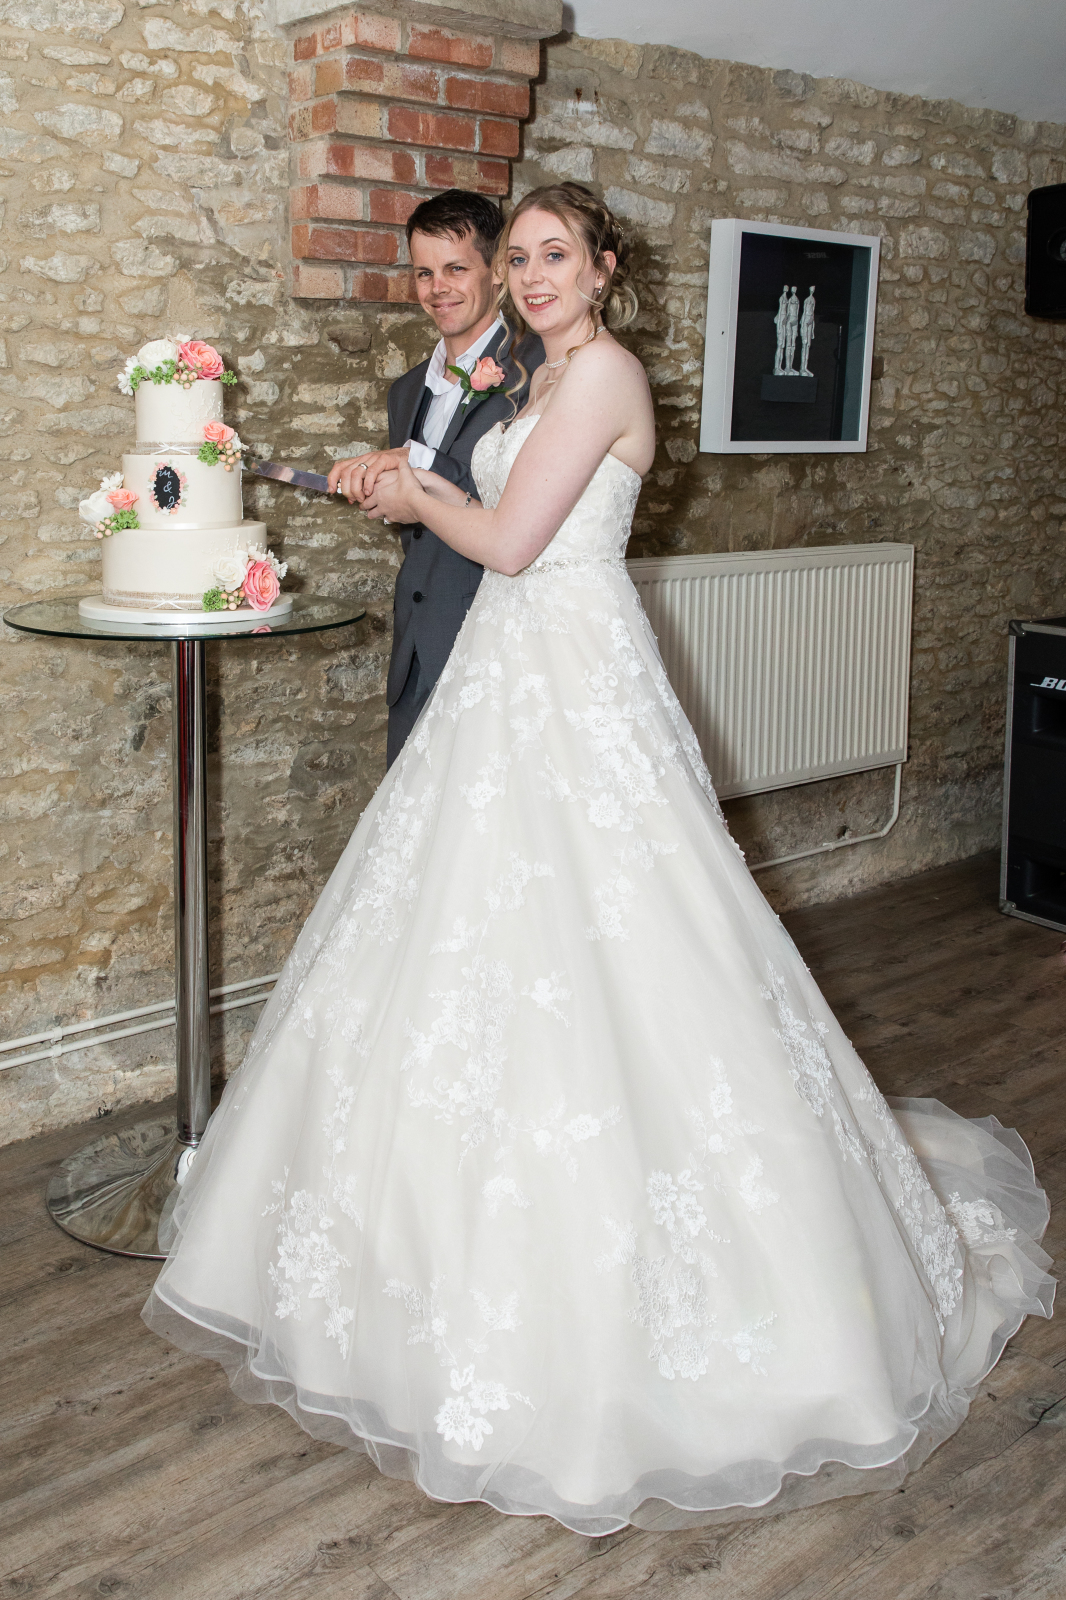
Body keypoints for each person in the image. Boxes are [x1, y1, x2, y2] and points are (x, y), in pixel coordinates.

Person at [144, 183, 1053, 1536]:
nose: (530, 276)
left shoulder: (607, 372)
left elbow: (513, 544)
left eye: (553, 255)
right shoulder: (539, 377)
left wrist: (420, 490)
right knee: (459, 936)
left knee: (623, 939)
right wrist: (407, 484)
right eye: (517, 258)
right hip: (505, 679)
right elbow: (489, 507)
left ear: (603, 268)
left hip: (569, 674)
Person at [328, 190, 543, 768]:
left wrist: (411, 466)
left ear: (496, 273)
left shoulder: (539, 372)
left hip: (497, 640)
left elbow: (525, 509)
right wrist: (384, 494)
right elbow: (419, 523)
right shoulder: (403, 391)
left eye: (455, 269)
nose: (437, 288)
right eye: (424, 273)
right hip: (417, 647)